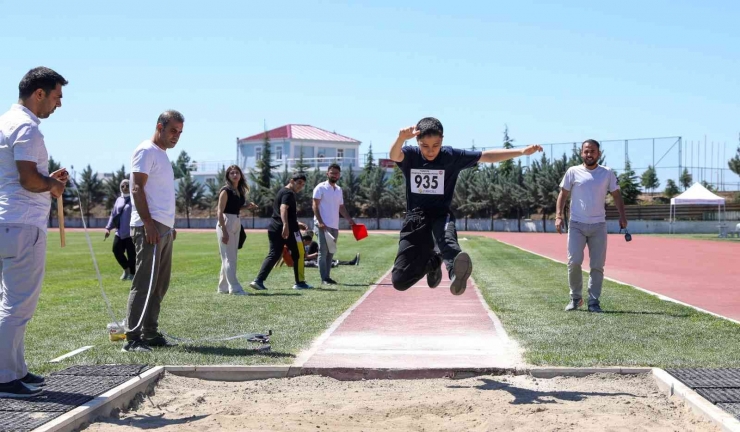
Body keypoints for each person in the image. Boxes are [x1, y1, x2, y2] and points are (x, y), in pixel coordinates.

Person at [388, 117, 542, 296]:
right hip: (415, 219)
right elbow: (394, 155)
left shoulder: (451, 156)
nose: (431, 151)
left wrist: (521, 151)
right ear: (417, 141)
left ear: (442, 140)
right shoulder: (410, 155)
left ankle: (456, 274)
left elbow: (486, 156)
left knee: (447, 240)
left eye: (436, 145)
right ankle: (433, 262)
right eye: (425, 146)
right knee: (399, 281)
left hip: (440, 214)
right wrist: (400, 139)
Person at [0, 67, 68, 397]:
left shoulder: (4, 122)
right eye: (56, 97)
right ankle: (4, 377)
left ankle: (16, 369)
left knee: (9, 300)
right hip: (23, 224)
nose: (58, 104)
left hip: (6, 220)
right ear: (38, 93)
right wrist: (52, 184)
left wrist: (46, 177)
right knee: (18, 304)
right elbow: (28, 180)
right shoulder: (28, 128)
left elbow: (16, 175)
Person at [122, 110, 184, 352]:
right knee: (145, 282)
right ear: (160, 126)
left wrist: (170, 225)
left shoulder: (162, 155)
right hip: (149, 226)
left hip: (164, 227)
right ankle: (132, 338)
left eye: (180, 132)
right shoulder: (146, 150)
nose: (176, 136)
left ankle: (150, 332)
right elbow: (136, 188)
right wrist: (148, 222)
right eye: (172, 130)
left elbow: (160, 193)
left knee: (160, 284)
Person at [556, 139, 627, 313]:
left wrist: (622, 215)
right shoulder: (573, 172)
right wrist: (558, 216)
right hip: (576, 225)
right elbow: (563, 194)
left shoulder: (607, 173)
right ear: (581, 153)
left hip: (598, 226)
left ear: (599, 154)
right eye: (586, 151)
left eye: (593, 151)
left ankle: (594, 302)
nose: (589, 154)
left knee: (597, 265)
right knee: (574, 262)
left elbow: (617, 195)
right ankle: (575, 299)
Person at [250, 173, 312, 290]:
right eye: (299, 183)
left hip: (274, 227)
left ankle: (258, 280)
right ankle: (300, 283)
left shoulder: (282, 192)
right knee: (299, 253)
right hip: (286, 229)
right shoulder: (288, 193)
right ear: (291, 181)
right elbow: (283, 208)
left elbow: (282, 213)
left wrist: (296, 223)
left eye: (303, 184)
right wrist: (286, 225)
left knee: (274, 254)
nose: (300, 186)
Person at [216, 165, 257, 295]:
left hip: (236, 221)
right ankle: (235, 288)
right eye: (231, 173)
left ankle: (223, 288)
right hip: (226, 221)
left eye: (237, 173)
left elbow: (234, 207)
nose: (234, 175)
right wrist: (224, 230)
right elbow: (220, 211)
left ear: (240, 175)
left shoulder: (238, 190)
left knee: (229, 257)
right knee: (230, 258)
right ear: (228, 176)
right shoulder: (226, 190)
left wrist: (247, 206)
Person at [312, 163, 356, 285]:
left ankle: (327, 276)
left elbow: (341, 207)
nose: (334, 175)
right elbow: (315, 205)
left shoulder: (339, 189)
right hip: (322, 225)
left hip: (334, 225)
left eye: (336, 173)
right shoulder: (320, 187)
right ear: (327, 174)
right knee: (323, 251)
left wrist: (349, 219)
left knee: (331, 251)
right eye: (332, 173)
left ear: (339, 175)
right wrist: (320, 222)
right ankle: (324, 278)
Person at [105, 179, 136, 281]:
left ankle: (132, 273)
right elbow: (113, 214)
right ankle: (126, 269)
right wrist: (108, 228)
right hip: (119, 232)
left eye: (127, 185)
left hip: (131, 232)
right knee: (116, 250)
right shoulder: (119, 200)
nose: (125, 188)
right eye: (122, 186)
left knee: (131, 254)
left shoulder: (134, 199)